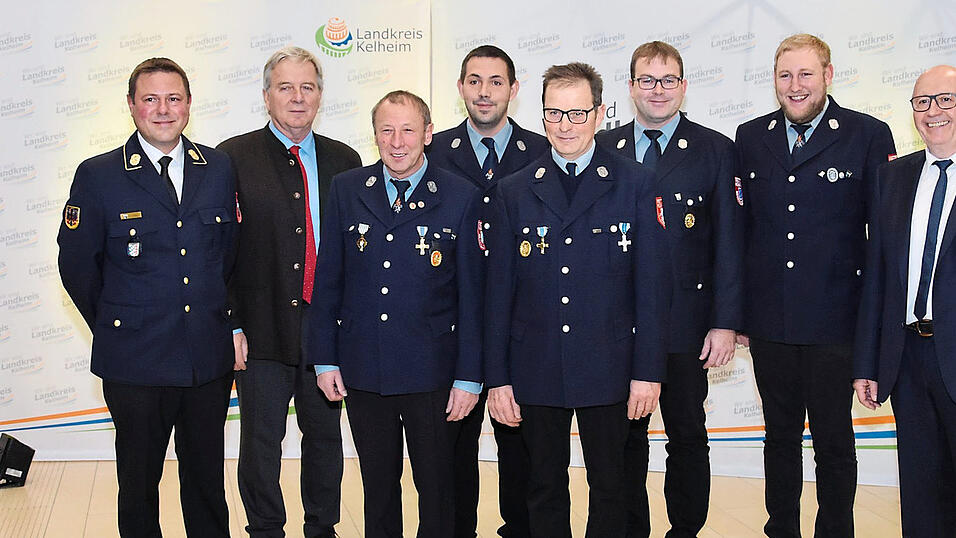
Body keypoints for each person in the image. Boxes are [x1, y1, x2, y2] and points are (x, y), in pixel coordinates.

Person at [484, 62, 668, 538]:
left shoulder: (635, 183)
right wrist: (498, 379)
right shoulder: (513, 190)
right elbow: (499, 294)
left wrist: (648, 371)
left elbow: (651, 288)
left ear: (600, 113)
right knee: (543, 484)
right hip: (535, 364)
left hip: (610, 363)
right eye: (554, 113)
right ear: (541, 115)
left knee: (612, 486)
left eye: (577, 113)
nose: (565, 125)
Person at [57, 57, 237, 538]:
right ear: (132, 106)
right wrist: (120, 324)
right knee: (138, 486)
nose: (163, 109)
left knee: (206, 485)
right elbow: (76, 265)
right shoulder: (99, 174)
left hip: (205, 359)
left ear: (189, 105)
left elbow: (229, 258)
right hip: (134, 362)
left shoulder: (217, 168)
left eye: (174, 98)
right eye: (151, 99)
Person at [734, 34, 895, 537]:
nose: (795, 85)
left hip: (835, 321)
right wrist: (737, 314)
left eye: (806, 74)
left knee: (832, 438)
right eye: (785, 75)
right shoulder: (749, 135)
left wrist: (875, 327)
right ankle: (780, 527)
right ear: (774, 79)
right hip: (769, 321)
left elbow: (882, 238)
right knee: (778, 436)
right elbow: (743, 231)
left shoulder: (868, 134)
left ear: (828, 75)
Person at [305, 90, 484, 538]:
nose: (397, 141)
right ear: (375, 135)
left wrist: (469, 377)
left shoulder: (461, 196)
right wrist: (324, 359)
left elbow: (473, 297)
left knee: (438, 491)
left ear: (428, 134)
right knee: (378, 489)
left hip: (435, 376)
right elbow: (328, 281)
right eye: (387, 130)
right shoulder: (347, 189)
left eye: (408, 129)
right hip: (366, 372)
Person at [596, 40, 743, 538]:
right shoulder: (604, 148)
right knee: (624, 439)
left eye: (668, 81)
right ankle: (631, 528)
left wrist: (725, 321)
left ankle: (685, 529)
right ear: (631, 86)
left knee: (685, 435)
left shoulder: (716, 149)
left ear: (683, 85)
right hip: (618, 326)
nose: (657, 91)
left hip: (686, 322)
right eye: (647, 80)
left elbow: (729, 242)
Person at [217, 46, 361, 538]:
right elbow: (218, 250)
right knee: (261, 443)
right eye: (285, 87)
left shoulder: (347, 160)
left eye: (307, 87)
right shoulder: (230, 158)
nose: (297, 98)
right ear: (266, 96)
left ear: (320, 95)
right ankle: (264, 529)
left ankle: (322, 527)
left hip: (325, 331)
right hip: (258, 330)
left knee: (324, 440)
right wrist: (231, 321)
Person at [427, 44, 548, 538]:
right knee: (452, 447)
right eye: (474, 80)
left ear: (514, 90)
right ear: (460, 88)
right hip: (451, 323)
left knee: (522, 446)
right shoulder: (433, 152)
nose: (484, 91)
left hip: (522, 324)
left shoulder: (543, 152)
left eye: (496, 81)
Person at [854, 65, 956, 538]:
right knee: (919, 493)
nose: (933, 112)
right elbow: (877, 275)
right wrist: (867, 362)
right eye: (922, 102)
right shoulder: (892, 178)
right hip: (908, 358)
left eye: (945, 100)